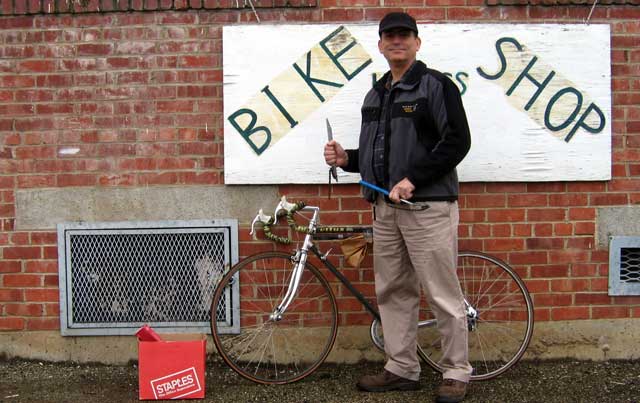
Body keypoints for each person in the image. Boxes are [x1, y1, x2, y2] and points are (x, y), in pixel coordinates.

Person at [323, 12, 472, 403]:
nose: (397, 41)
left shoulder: (436, 86)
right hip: (385, 210)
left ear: (417, 43)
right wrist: (347, 159)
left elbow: (456, 143)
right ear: (381, 45)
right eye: (389, 36)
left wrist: (414, 180)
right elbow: (381, 155)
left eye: (404, 35)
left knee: (441, 292)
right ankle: (402, 368)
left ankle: (456, 371)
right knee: (393, 291)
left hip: (427, 208)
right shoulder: (376, 94)